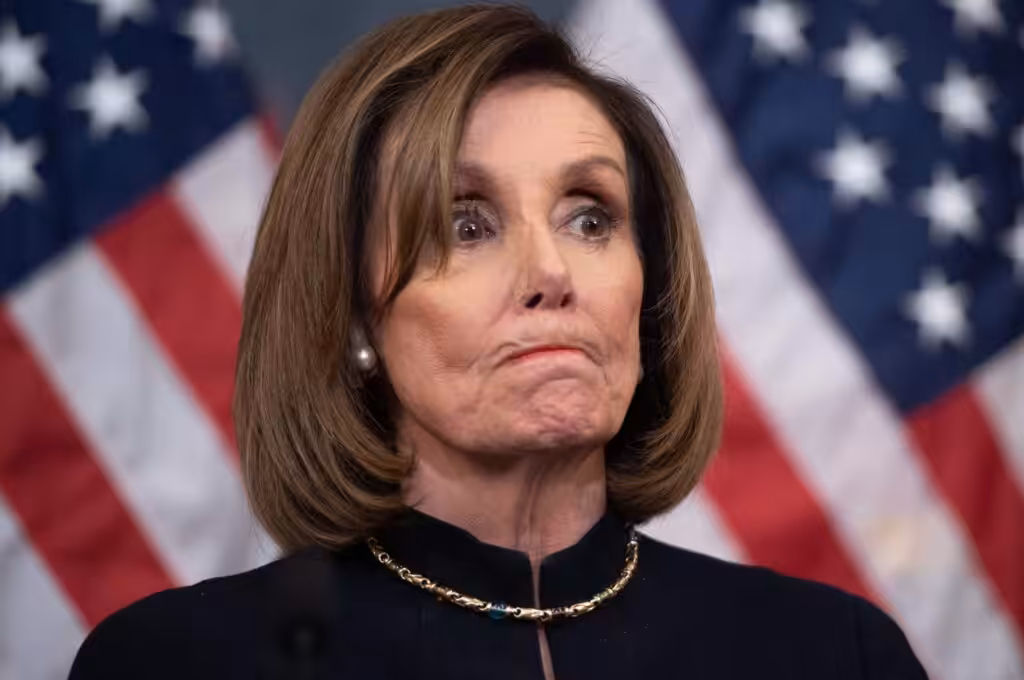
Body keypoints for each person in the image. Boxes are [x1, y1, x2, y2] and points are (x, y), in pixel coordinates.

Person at [68, 5, 928, 679]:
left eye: (590, 218)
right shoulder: (173, 663)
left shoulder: (835, 655)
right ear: (353, 314)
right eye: (466, 225)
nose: (551, 272)